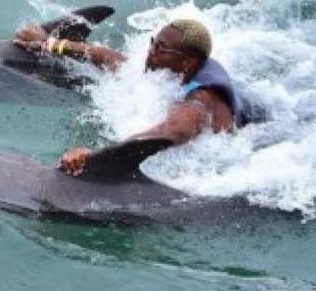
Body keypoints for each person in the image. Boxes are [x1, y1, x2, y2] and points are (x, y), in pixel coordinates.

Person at [13, 17, 261, 177]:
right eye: (153, 42)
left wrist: (99, 156)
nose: (150, 52)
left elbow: (175, 130)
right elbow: (109, 58)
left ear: (187, 63)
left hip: (260, 136)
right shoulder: (170, 69)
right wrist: (51, 44)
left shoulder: (201, 98)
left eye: (160, 48)